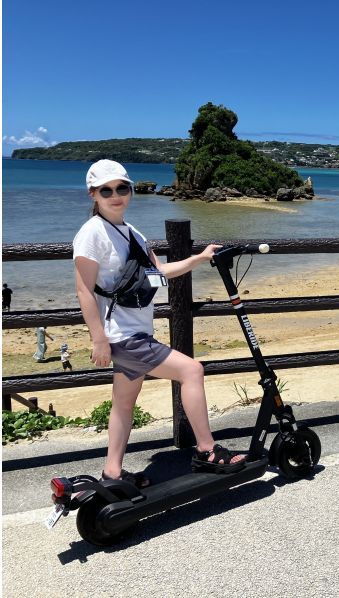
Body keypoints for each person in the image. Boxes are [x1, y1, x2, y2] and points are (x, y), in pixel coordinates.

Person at [73, 159, 244, 488]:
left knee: (123, 403)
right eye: (106, 190)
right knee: (191, 370)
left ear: (130, 190)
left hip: (133, 332)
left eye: (122, 188)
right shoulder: (92, 233)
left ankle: (112, 473)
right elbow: (83, 289)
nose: (115, 195)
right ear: (93, 194)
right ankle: (207, 450)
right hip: (123, 336)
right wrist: (98, 340)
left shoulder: (131, 232)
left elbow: (157, 275)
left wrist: (198, 258)